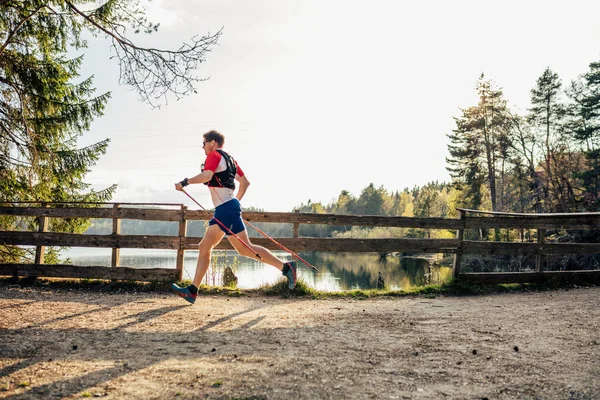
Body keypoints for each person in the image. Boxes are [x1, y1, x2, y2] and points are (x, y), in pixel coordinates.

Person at [172, 130, 297, 304]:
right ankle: (286, 267)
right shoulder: (231, 160)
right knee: (245, 249)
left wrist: (184, 182)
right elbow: (245, 182)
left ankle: (192, 291)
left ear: (213, 143)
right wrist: (235, 202)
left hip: (225, 209)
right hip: (228, 208)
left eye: (204, 143)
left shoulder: (214, 155)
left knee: (205, 245)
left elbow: (207, 176)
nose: (203, 147)